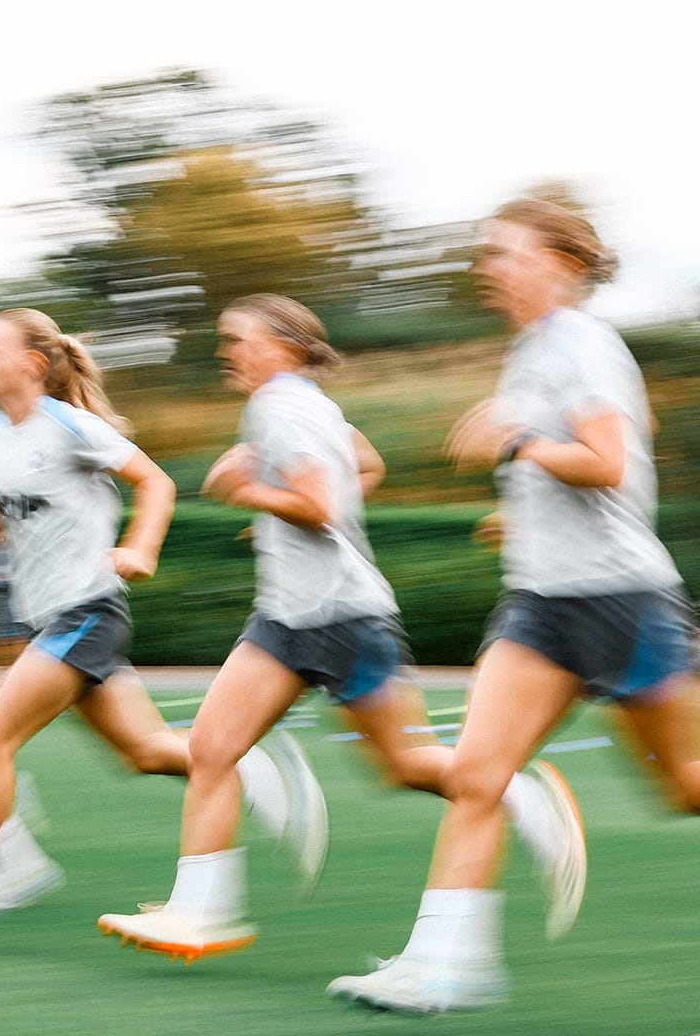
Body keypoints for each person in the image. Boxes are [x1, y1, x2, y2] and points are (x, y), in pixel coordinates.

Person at [98, 294, 584, 963]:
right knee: (213, 748)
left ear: (284, 345)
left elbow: (318, 505)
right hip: (289, 617)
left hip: (340, 619)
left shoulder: (275, 406)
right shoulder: (316, 405)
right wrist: (276, 513)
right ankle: (200, 910)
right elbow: (365, 465)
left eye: (238, 339)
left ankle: (519, 795)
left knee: (402, 764)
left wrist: (254, 496)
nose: (227, 353)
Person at [330, 197, 700, 1014]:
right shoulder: (532, 351)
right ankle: (447, 963)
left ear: (562, 263)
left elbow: (607, 463)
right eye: (486, 255)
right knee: (474, 775)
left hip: (622, 602)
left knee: (680, 786)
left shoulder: (584, 345)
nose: (486, 268)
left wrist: (518, 443)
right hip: (542, 607)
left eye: (504, 253)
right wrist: (521, 509)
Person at [0, 309, 295, 924]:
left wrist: (141, 549)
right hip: (50, 621)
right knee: (143, 752)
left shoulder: (71, 426)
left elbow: (157, 482)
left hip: (89, 611)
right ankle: (246, 767)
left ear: (32, 365)